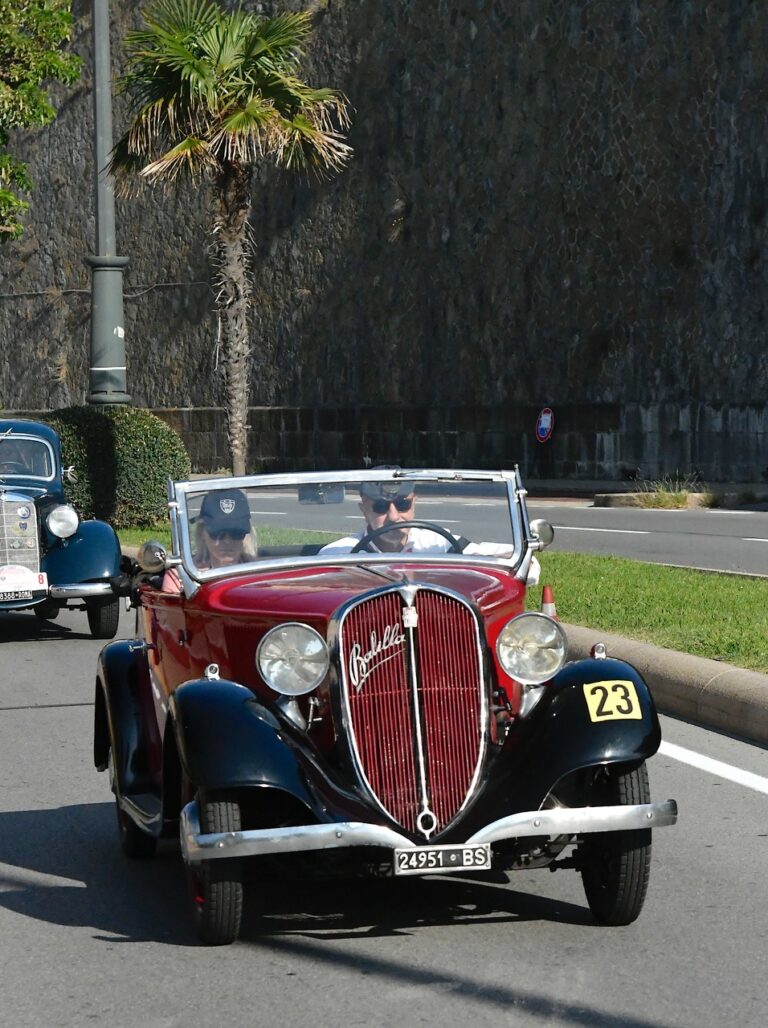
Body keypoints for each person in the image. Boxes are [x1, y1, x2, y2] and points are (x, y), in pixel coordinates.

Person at [319, 477, 541, 583]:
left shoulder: (439, 543)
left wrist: (523, 563)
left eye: (403, 504)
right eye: (380, 507)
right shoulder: (339, 555)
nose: (394, 517)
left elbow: (516, 561)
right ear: (363, 509)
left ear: (414, 502)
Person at [162, 487, 256, 591]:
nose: (227, 541)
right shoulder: (180, 578)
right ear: (202, 533)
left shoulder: (259, 574)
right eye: (218, 533)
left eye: (236, 533)